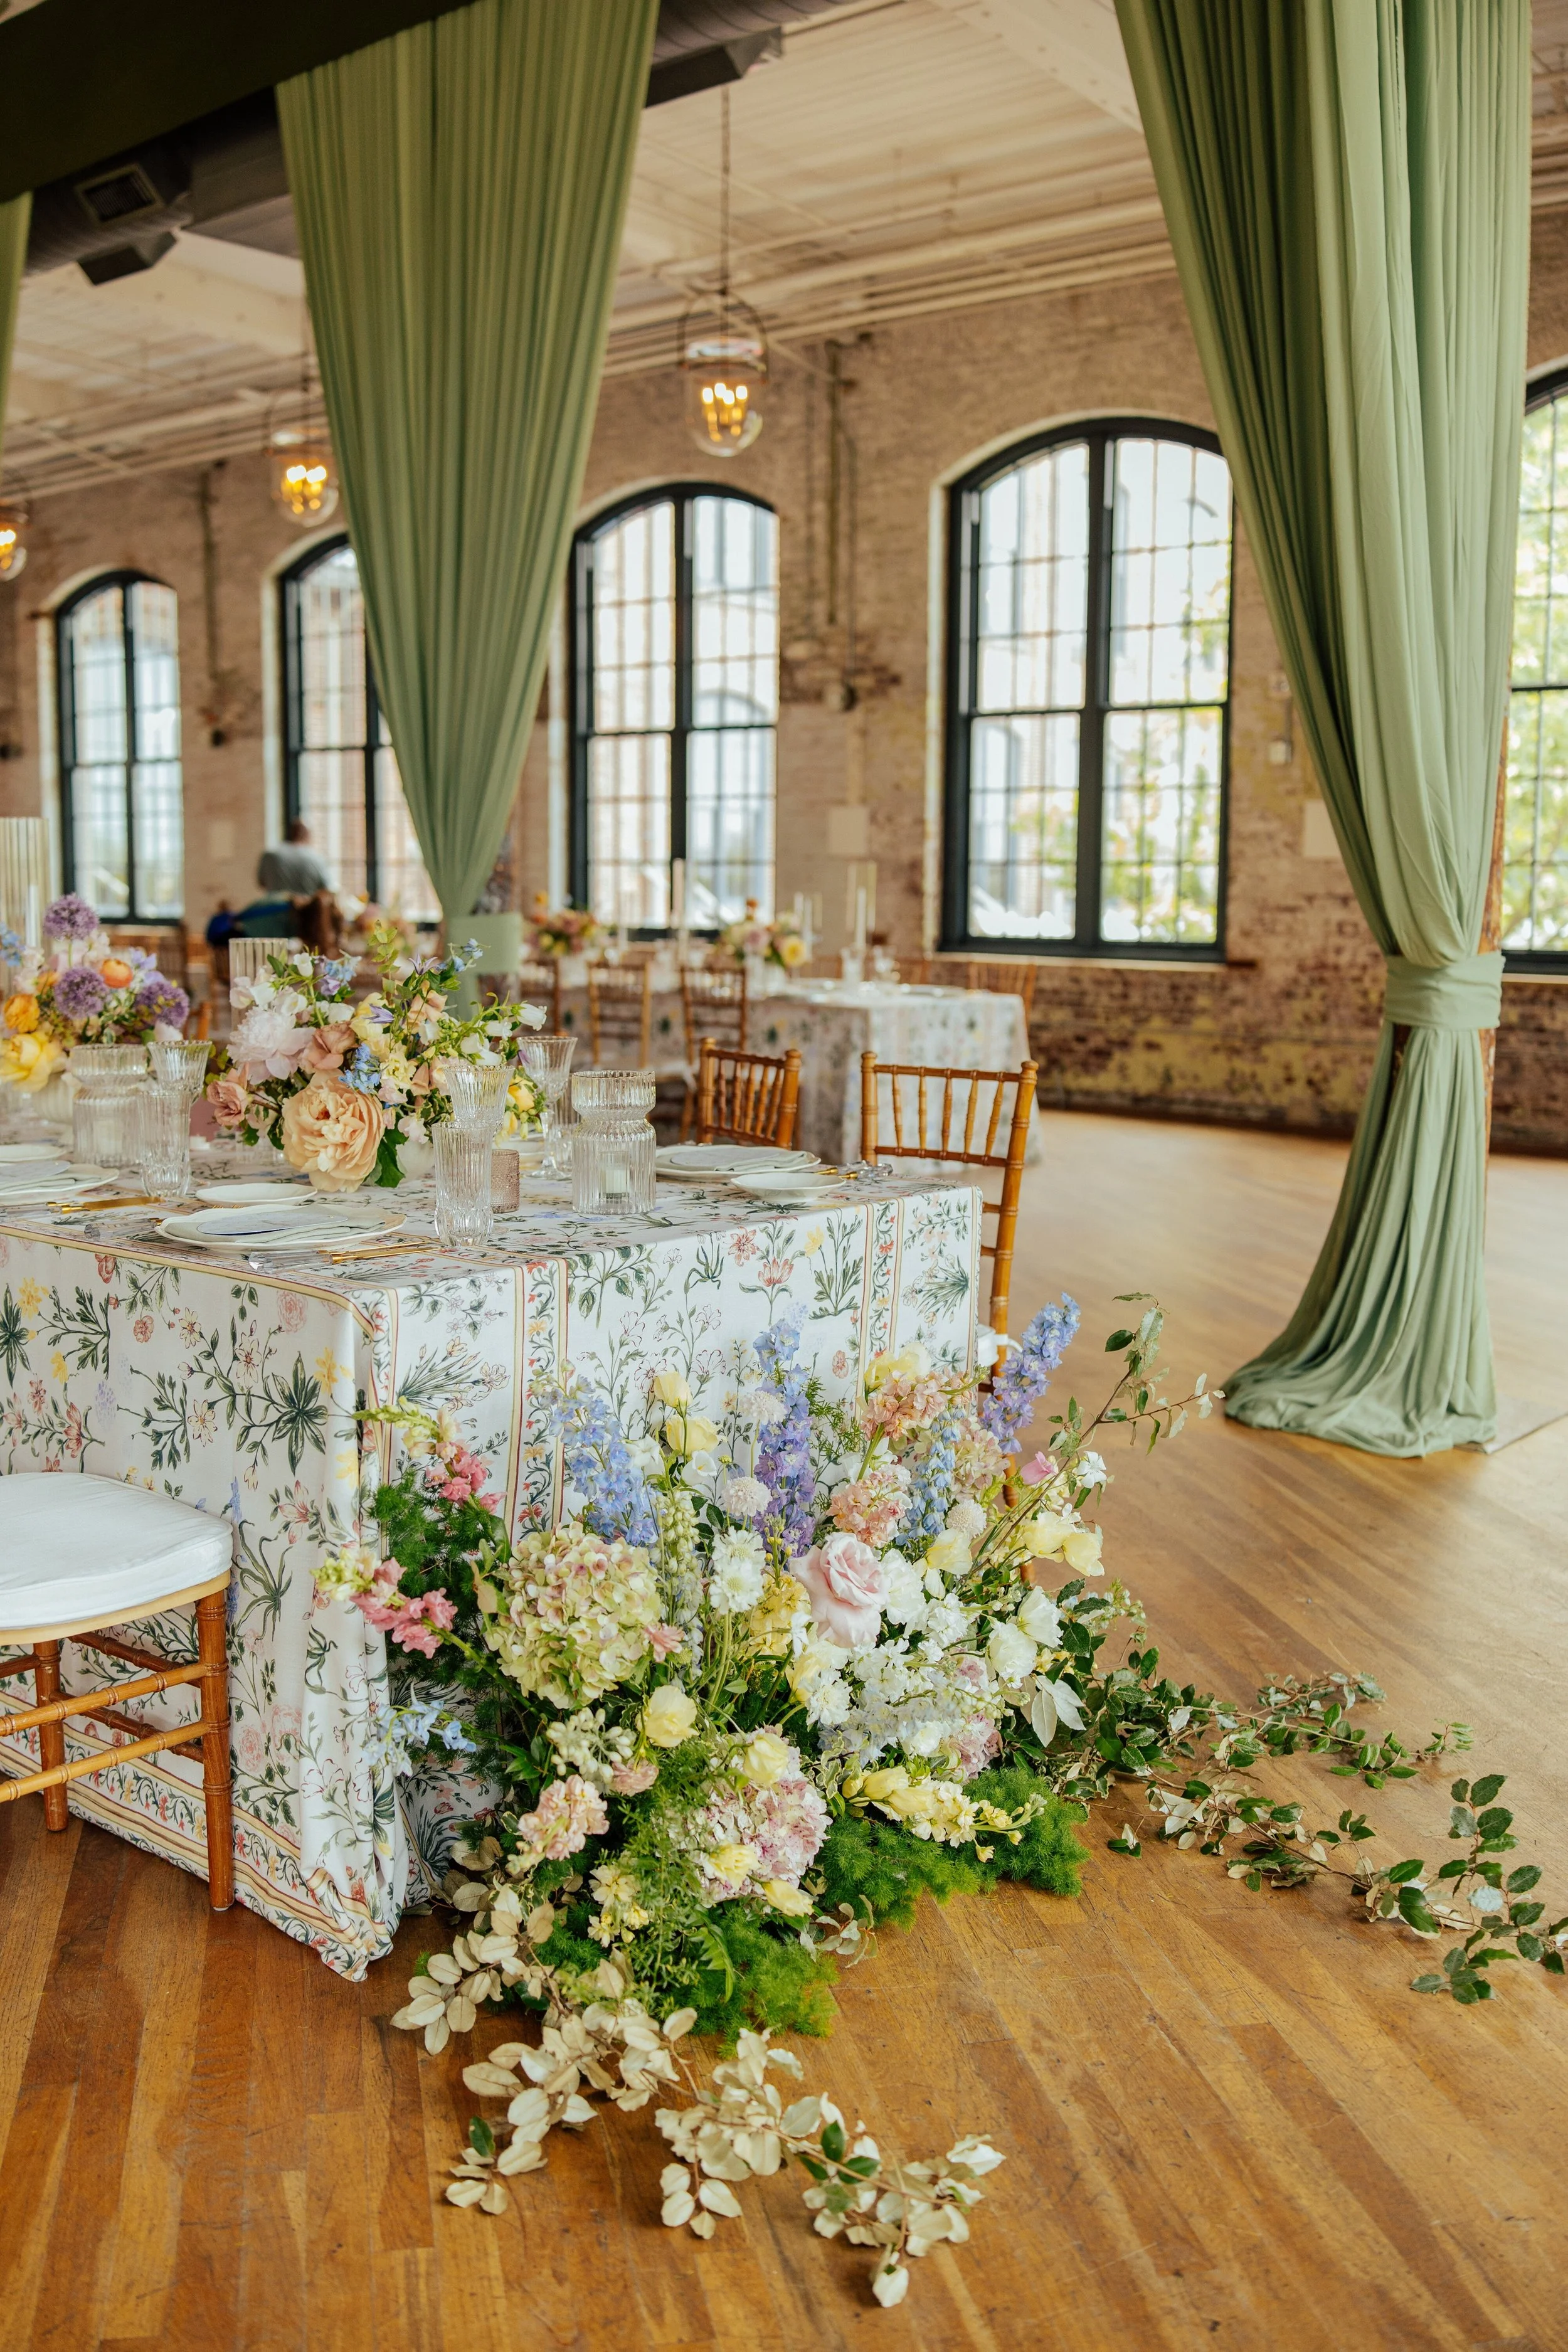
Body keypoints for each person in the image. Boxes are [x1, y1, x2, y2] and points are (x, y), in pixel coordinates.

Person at [257, 817, 333, 898]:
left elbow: (262, 882)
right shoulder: (316, 859)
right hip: (305, 909)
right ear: (307, 835)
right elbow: (326, 888)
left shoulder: (270, 855)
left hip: (275, 908)